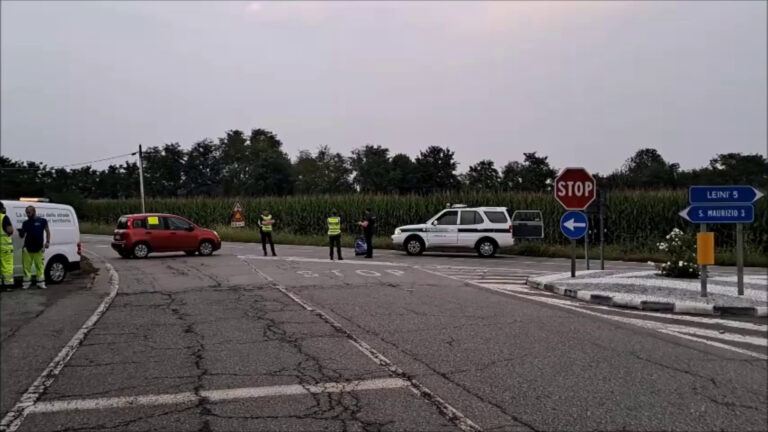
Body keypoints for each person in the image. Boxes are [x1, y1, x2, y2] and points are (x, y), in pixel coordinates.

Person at [18, 205, 50, 289]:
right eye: (26, 213)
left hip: (39, 248)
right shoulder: (25, 223)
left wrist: (47, 242)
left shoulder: (42, 221)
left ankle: (41, 283)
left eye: (29, 212)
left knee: (39, 266)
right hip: (27, 248)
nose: (27, 214)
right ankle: (26, 283)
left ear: (34, 211)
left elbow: (47, 231)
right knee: (26, 267)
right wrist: (20, 232)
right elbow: (22, 236)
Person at [0, 203, 14, 289]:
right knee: (7, 266)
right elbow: (10, 230)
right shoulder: (4, 217)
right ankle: (8, 285)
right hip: (4, 247)